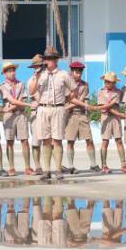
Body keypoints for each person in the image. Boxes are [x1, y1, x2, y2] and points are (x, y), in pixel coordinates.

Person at [29, 47, 75, 180]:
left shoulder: (63, 74)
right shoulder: (40, 74)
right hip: (43, 108)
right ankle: (46, 170)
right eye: (46, 59)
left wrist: (66, 100)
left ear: (56, 60)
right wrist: (37, 76)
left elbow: (74, 89)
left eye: (50, 59)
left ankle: (58, 170)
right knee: (45, 140)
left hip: (58, 108)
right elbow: (31, 91)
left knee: (57, 139)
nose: (47, 61)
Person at [64, 61, 98, 174]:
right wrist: (85, 105)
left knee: (89, 140)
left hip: (82, 114)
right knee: (70, 141)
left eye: (80, 72)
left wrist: (83, 105)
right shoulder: (66, 85)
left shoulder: (85, 85)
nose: (78, 74)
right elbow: (70, 101)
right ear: (71, 72)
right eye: (76, 72)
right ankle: (71, 166)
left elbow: (81, 100)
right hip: (71, 115)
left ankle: (93, 164)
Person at [0, 62, 31, 175]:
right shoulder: (2, 86)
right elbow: (11, 100)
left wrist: (12, 107)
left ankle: (27, 167)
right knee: (9, 141)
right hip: (9, 115)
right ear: (5, 73)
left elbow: (23, 99)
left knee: (25, 140)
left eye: (13, 70)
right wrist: (27, 105)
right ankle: (11, 167)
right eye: (9, 71)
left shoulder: (21, 84)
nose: (12, 73)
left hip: (20, 114)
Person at [96, 71, 126, 174]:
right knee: (105, 141)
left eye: (110, 82)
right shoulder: (101, 91)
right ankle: (104, 165)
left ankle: (123, 164)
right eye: (106, 82)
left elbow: (112, 105)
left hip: (115, 118)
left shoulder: (118, 92)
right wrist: (121, 114)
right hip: (105, 117)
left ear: (114, 83)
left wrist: (120, 115)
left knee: (119, 140)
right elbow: (103, 107)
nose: (107, 84)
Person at [27, 55, 45, 175]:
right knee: (36, 141)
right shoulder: (31, 80)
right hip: (38, 112)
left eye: (40, 66)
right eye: (35, 66)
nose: (37, 68)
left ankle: (56, 165)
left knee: (52, 141)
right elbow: (34, 94)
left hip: (49, 111)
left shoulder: (50, 78)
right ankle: (37, 166)